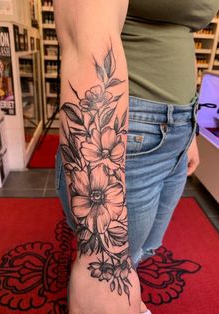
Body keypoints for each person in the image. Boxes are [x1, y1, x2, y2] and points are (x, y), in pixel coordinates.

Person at [53, 1, 219, 313]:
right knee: (111, 271)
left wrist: (186, 131)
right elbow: (86, 49)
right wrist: (102, 263)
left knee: (142, 251)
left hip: (178, 128)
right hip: (124, 131)